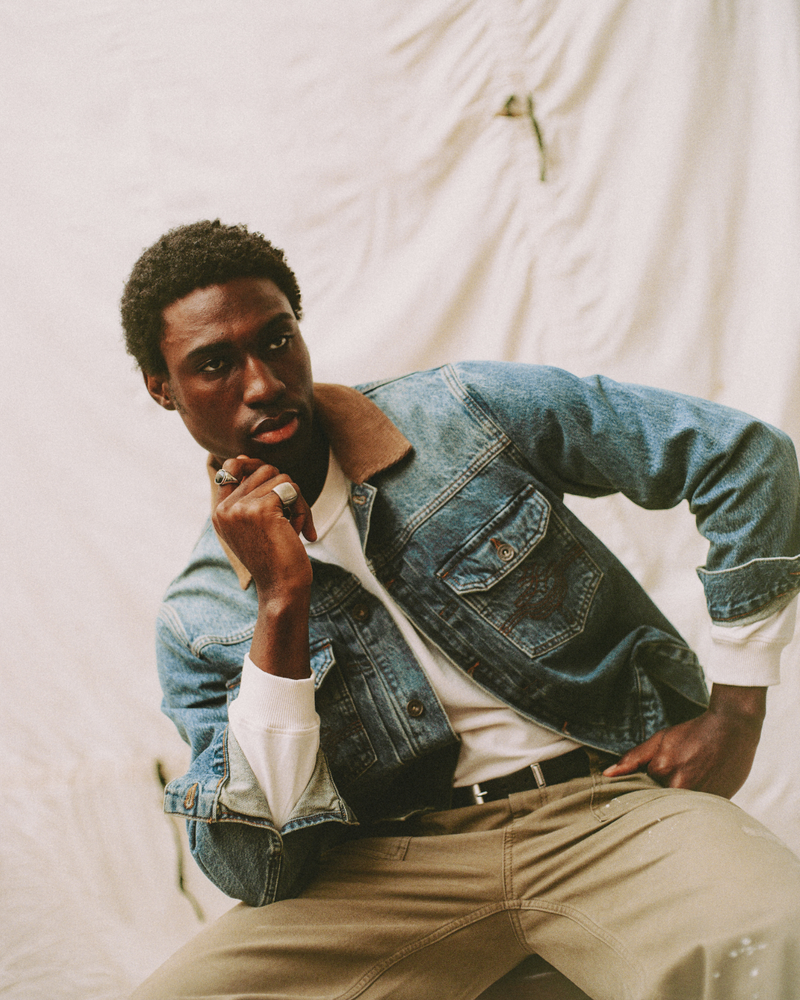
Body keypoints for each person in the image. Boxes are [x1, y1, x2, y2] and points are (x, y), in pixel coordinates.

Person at [122, 220, 800, 1000]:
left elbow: (742, 457)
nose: (262, 383)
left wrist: (737, 709)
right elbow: (256, 868)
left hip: (603, 807)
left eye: (277, 341)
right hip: (388, 872)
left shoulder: (466, 413)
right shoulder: (198, 615)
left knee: (780, 935)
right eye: (214, 364)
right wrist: (281, 601)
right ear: (162, 387)